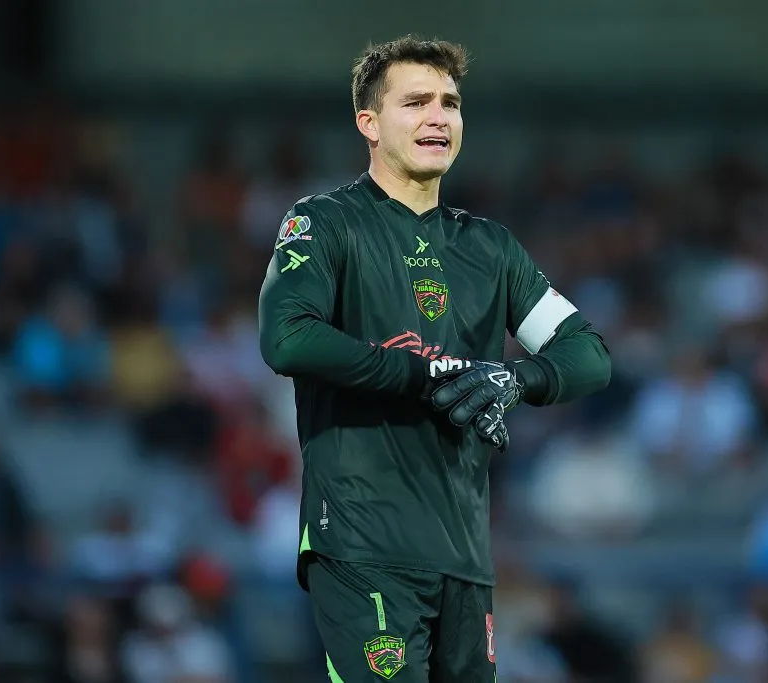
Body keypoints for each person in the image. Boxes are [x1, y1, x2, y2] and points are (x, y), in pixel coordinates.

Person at [258, 35, 611, 682]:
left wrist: (516, 377)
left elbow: (588, 354)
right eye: (415, 102)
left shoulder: (490, 248)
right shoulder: (325, 223)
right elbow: (287, 337)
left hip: (465, 555)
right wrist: (427, 373)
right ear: (369, 122)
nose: (438, 116)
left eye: (449, 102)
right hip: (362, 539)